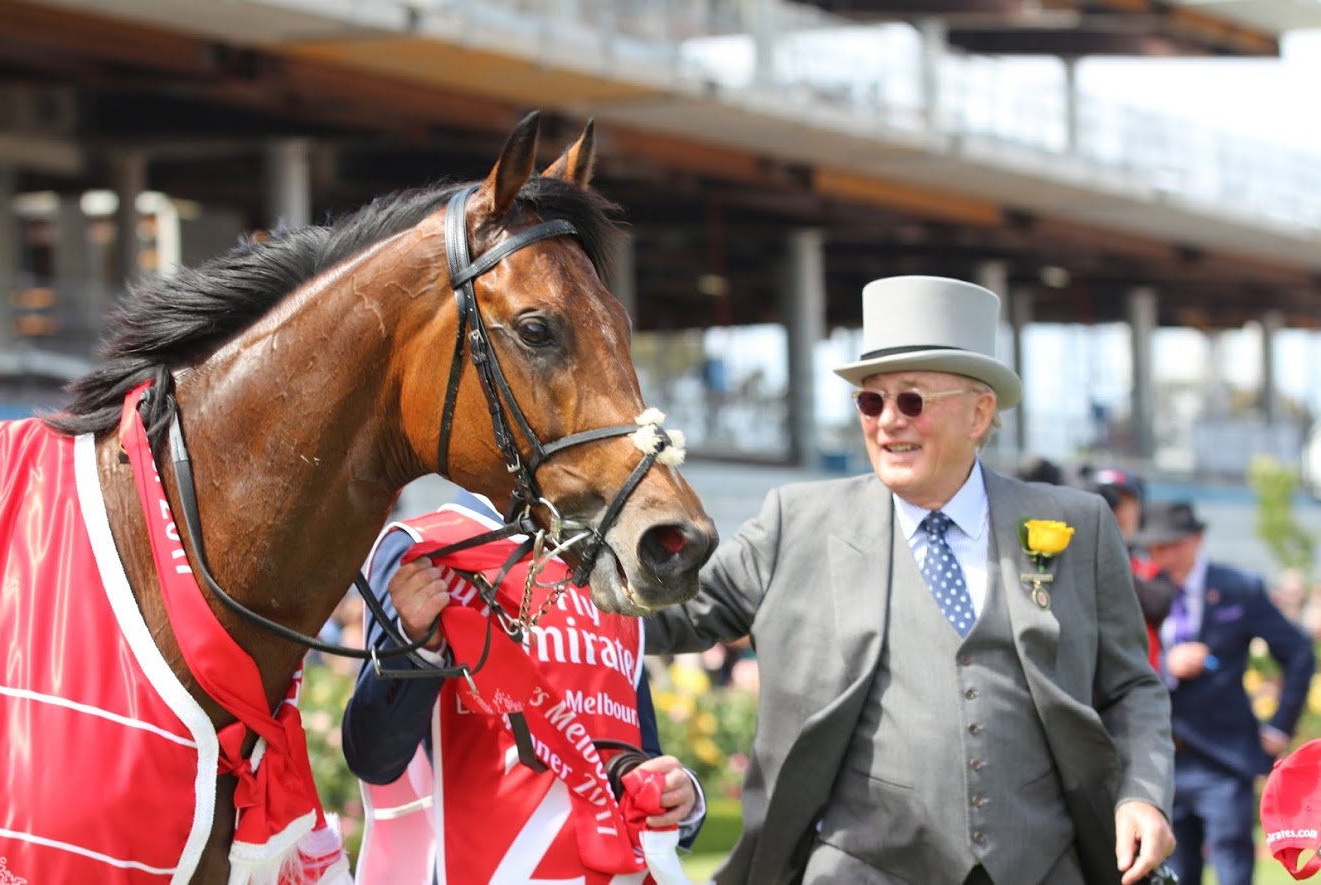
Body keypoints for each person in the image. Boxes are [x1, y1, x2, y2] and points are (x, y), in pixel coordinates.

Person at [644, 275, 1177, 885]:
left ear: (980, 414)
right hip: (856, 869)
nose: (888, 422)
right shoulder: (796, 522)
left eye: (913, 401)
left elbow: (1133, 687)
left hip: (1041, 865)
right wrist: (544, 572)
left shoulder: (1077, 524)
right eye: (872, 402)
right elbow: (664, 612)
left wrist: (1143, 793)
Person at [342, 490, 705, 885]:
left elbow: (638, 753)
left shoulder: (610, 566)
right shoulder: (425, 544)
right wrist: (414, 641)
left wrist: (678, 794)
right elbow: (372, 757)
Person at [1137, 499, 1315, 885]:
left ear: (1197, 539)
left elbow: (1299, 654)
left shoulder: (1238, 588)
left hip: (1224, 757)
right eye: (1156, 547)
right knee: (1172, 872)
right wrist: (1166, 665)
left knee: (1233, 866)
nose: (1165, 555)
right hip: (1161, 757)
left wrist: (1278, 729)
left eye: (1174, 544)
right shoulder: (1141, 588)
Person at [1091, 467, 1178, 670]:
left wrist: (1106, 550)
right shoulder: (1070, 561)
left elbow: (1156, 606)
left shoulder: (1151, 571)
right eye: (1105, 501)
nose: (1115, 511)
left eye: (1124, 502)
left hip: (1135, 691)